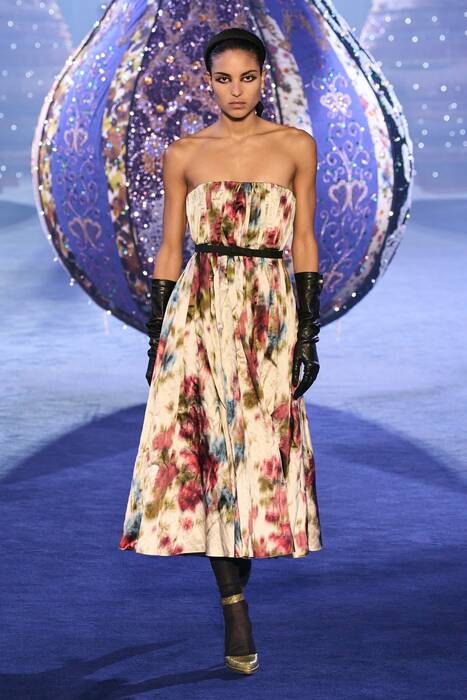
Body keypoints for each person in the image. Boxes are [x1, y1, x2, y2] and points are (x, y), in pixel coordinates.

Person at [118, 26, 324, 675]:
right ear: (207, 82)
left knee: (257, 457)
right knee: (207, 452)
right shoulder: (185, 153)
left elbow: (304, 240)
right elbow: (170, 247)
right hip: (199, 314)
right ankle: (233, 605)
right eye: (223, 79)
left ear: (265, 79)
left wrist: (309, 331)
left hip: (268, 314)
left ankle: (238, 580)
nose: (236, 90)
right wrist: (157, 335)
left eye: (247, 77)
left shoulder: (295, 146)